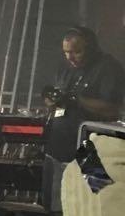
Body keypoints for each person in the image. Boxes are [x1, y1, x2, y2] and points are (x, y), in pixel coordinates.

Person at [44, 26, 125, 162]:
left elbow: (113, 109)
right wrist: (51, 101)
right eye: (66, 52)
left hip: (90, 149)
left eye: (77, 52)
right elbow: (58, 99)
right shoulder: (66, 68)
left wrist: (77, 100)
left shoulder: (108, 68)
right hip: (57, 148)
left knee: (82, 183)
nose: (70, 58)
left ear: (91, 48)